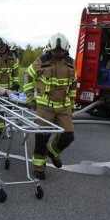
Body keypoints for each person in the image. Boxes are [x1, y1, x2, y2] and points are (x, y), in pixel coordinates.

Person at [24, 33, 76, 180]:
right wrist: (29, 97)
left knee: (68, 136)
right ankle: (39, 167)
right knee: (42, 137)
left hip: (63, 107)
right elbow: (27, 76)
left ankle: (53, 152)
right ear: (49, 49)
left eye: (61, 52)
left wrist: (72, 102)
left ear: (66, 50)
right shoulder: (41, 61)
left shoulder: (71, 63)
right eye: (55, 52)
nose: (58, 54)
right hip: (44, 106)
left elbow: (73, 84)